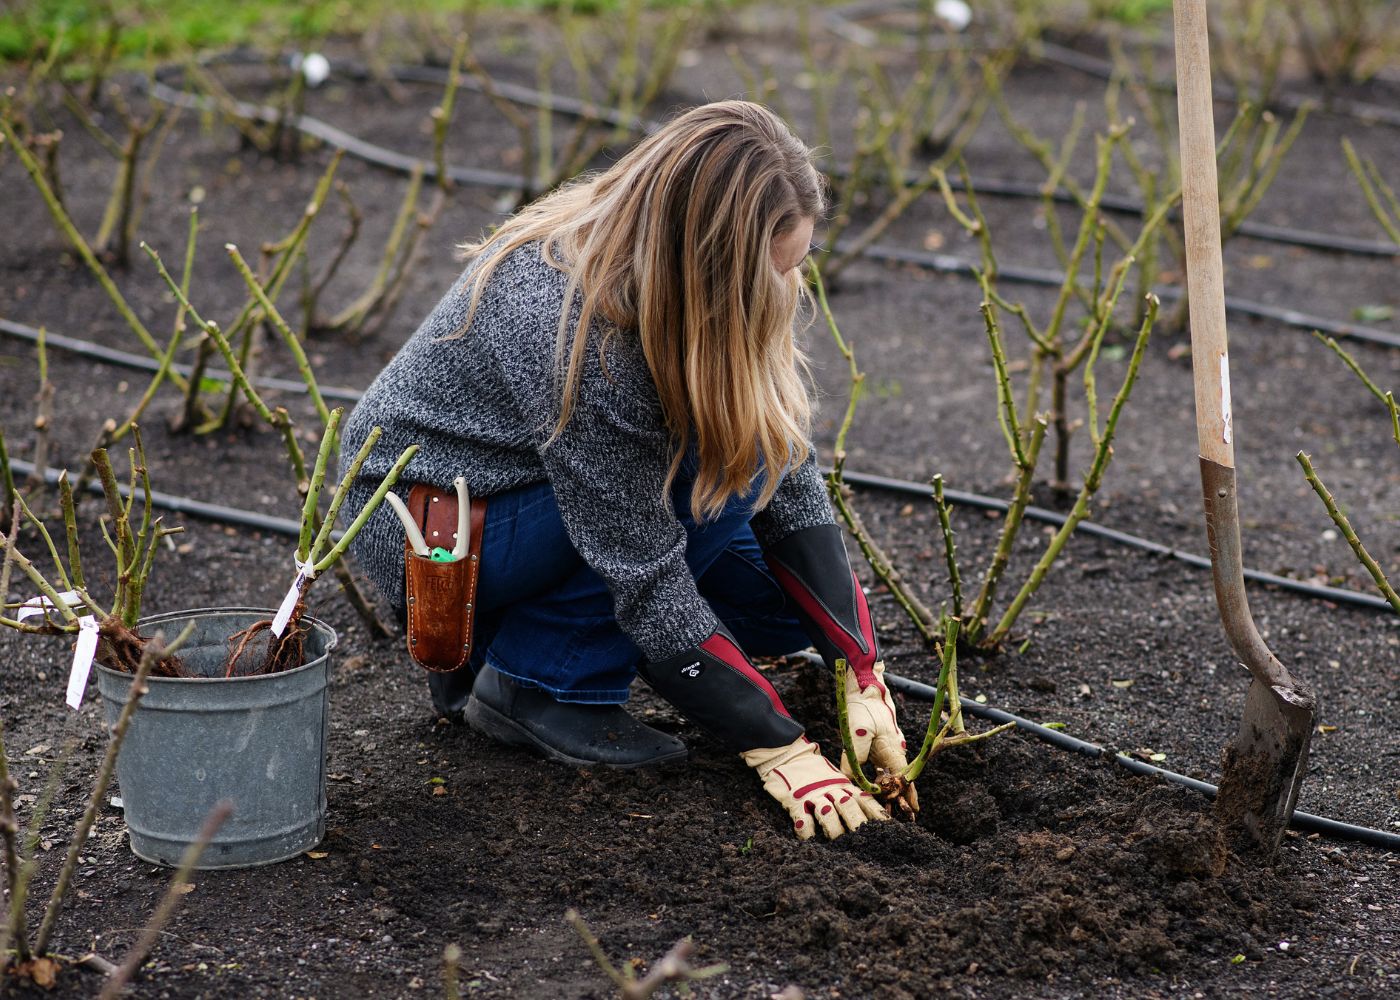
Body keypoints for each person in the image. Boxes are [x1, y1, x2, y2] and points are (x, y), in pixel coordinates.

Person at [339, 101, 915, 840]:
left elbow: (781, 461)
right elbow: (642, 564)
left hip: (534, 499)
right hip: (433, 530)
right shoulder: (574, 325)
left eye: (795, 264)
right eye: (771, 271)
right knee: (696, 478)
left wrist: (860, 666)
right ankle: (539, 685)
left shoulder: (679, 280)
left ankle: (518, 642)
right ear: (710, 264)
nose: (784, 288)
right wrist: (778, 744)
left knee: (776, 605)